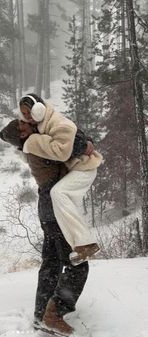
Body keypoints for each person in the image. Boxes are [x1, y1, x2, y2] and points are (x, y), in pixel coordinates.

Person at [0, 120, 89, 337]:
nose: (26, 124)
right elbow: (72, 147)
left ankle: (41, 317)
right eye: (21, 128)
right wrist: (87, 141)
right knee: (78, 265)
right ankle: (55, 314)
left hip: (47, 210)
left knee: (51, 264)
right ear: (22, 137)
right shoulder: (36, 143)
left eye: (22, 122)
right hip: (56, 211)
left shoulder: (31, 145)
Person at [18, 93, 103, 265]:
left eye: (29, 112)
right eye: (24, 114)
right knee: (67, 207)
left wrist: (32, 142)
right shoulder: (40, 126)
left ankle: (86, 244)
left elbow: (62, 150)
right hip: (76, 170)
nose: (27, 117)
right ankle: (80, 248)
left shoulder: (57, 122)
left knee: (58, 193)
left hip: (85, 169)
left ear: (39, 109)